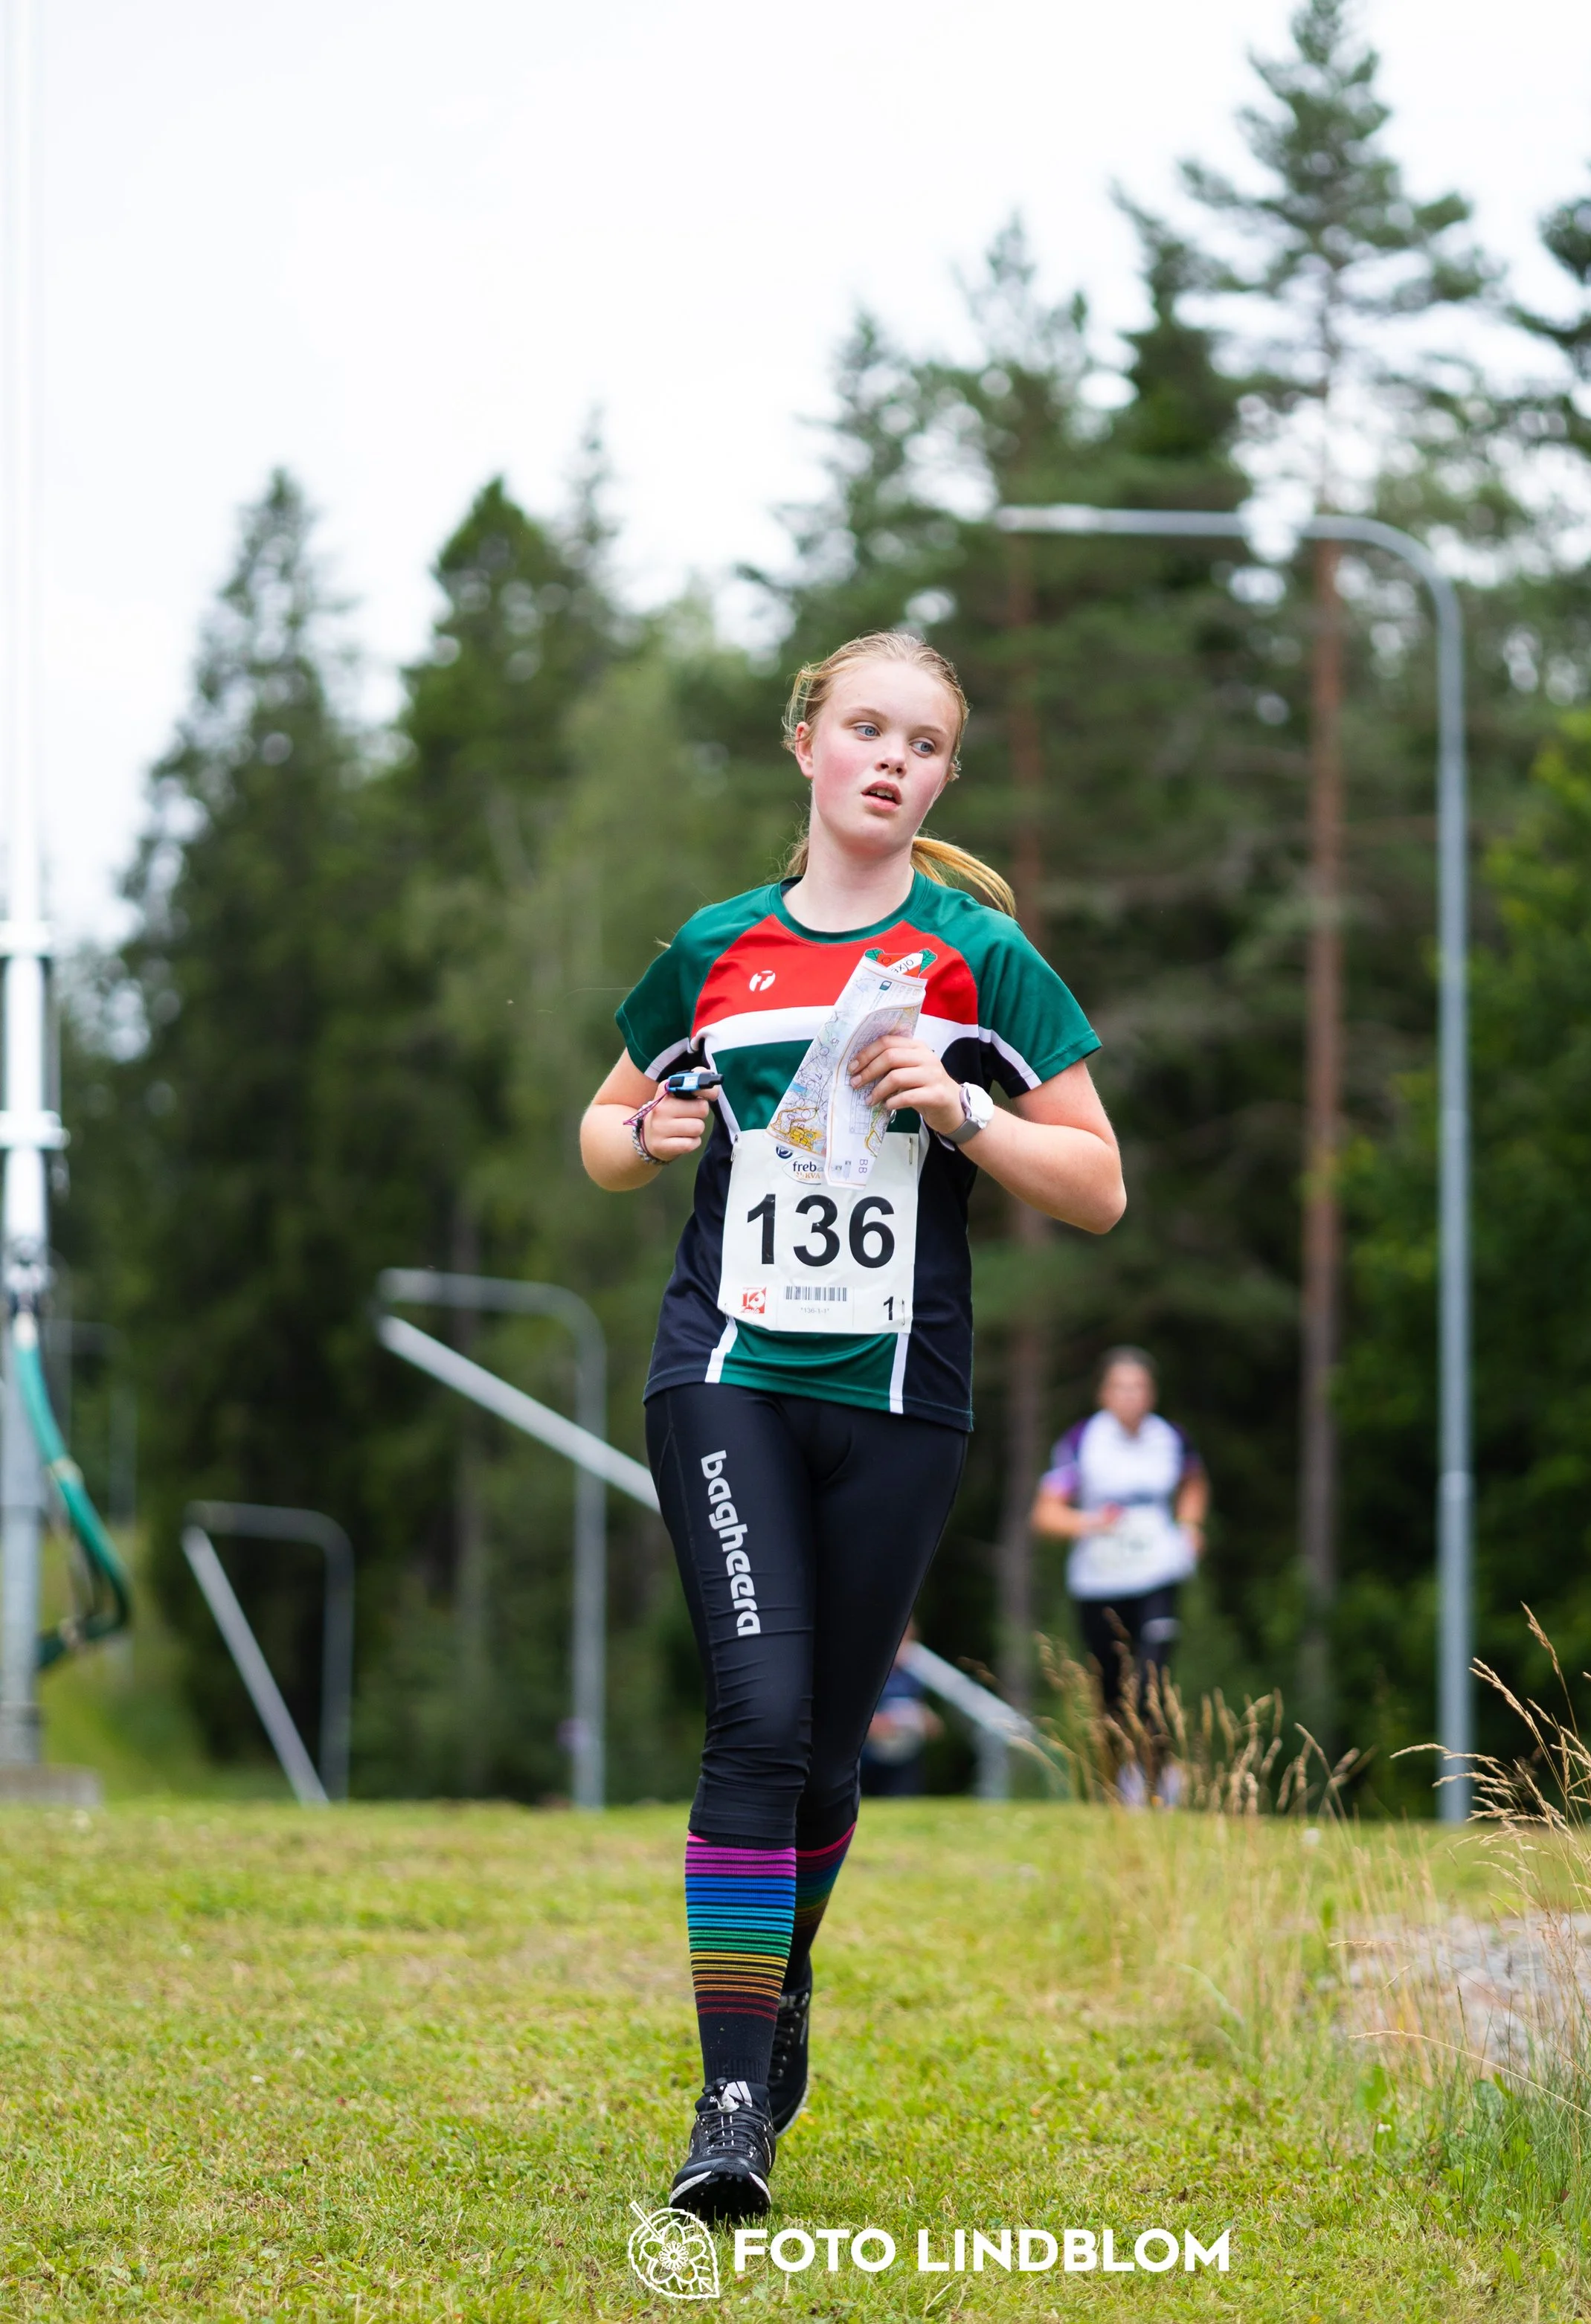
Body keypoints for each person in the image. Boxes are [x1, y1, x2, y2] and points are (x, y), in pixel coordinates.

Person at [581, 631, 1123, 2221]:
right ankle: (729, 2100)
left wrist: (963, 1106)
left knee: (822, 1752)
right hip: (727, 1374)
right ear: (806, 742)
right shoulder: (715, 948)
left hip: (898, 1398)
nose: (891, 758)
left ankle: (777, 1975)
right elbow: (607, 1125)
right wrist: (647, 1129)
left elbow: (1095, 1182)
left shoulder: (976, 959)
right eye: (865, 728)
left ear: (944, 774)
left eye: (925, 741)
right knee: (753, 1718)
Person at [1032, 1347, 1208, 1762]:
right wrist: (1092, 1522)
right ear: (1103, 1394)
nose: (1130, 1396)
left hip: (1159, 1572)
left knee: (1153, 1679)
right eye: (1121, 1387)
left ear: (1152, 1394)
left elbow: (1195, 1483)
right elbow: (1045, 1514)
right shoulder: (1082, 1441)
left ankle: (1159, 1782)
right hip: (1101, 1578)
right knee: (1110, 1688)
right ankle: (1114, 1783)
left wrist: (1191, 1526)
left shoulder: (1171, 1438)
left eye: (1139, 1387)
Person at [859, 1622, 942, 1798]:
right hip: (867, 1759)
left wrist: (923, 1722)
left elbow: (932, 1724)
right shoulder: (866, 1672)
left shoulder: (912, 1677)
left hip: (903, 1760)